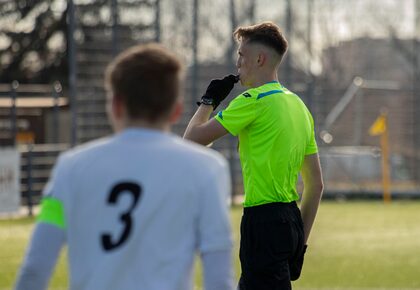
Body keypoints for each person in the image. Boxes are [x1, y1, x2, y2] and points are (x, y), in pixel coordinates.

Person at [14, 43, 234, 290]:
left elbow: (34, 270)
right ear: (176, 110)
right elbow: (219, 279)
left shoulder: (70, 167)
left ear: (116, 105)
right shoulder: (207, 168)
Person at [184, 21, 324, 290]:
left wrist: (208, 101)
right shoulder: (299, 106)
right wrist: (301, 241)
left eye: (241, 56)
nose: (237, 64)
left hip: (263, 224)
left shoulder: (252, 100)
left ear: (259, 59)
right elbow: (316, 185)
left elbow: (190, 142)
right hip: (291, 221)